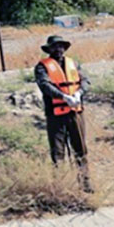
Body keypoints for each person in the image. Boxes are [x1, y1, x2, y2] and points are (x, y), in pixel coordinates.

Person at [34, 35, 91, 189]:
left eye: (61, 46)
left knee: (80, 149)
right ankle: (60, 187)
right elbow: (45, 85)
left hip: (75, 113)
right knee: (58, 153)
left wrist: (79, 93)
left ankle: (85, 184)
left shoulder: (73, 63)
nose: (58, 49)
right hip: (55, 116)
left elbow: (86, 81)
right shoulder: (42, 66)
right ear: (49, 49)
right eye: (55, 46)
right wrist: (63, 97)